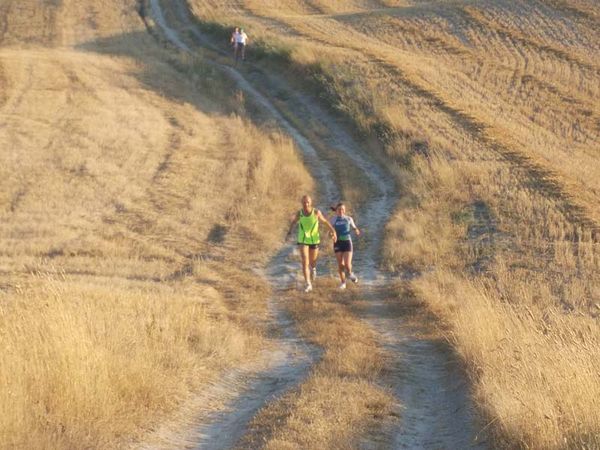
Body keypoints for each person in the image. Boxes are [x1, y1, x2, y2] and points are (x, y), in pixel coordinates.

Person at [286, 195, 337, 293]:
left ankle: (313, 269)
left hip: (314, 240)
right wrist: (289, 232)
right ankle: (308, 284)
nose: (306, 204)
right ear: (302, 203)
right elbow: (294, 222)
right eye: (304, 202)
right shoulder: (299, 213)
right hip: (303, 239)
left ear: (311, 203)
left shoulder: (316, 212)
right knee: (305, 261)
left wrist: (333, 231)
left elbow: (325, 222)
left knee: (313, 262)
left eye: (308, 202)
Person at [329, 202, 360, 289]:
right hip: (337, 242)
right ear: (336, 211)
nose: (341, 211)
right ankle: (343, 283)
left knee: (347, 264)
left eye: (342, 209)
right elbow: (330, 230)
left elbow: (354, 227)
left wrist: (356, 230)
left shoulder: (349, 219)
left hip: (347, 242)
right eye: (339, 209)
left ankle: (350, 273)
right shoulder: (333, 219)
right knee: (340, 265)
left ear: (345, 210)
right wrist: (332, 235)